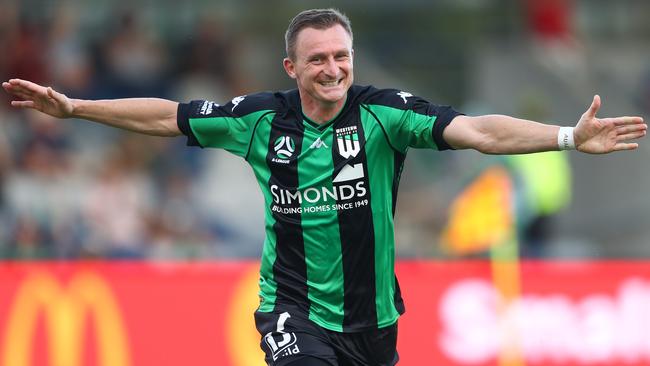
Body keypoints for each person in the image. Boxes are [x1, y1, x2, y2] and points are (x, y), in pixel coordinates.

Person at [2, 8, 646, 366]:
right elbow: (168, 116)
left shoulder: (384, 114)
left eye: (341, 56)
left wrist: (567, 136)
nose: (333, 68)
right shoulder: (259, 119)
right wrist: (76, 108)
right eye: (318, 58)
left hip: (376, 322)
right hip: (293, 310)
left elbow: (479, 130)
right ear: (292, 67)